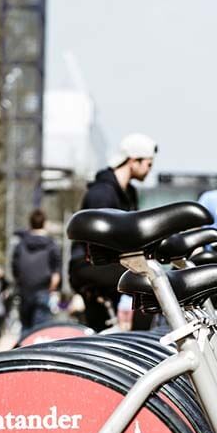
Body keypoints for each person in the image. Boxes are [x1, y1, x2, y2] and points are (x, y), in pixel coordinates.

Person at [68, 133, 157, 331]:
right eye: (149, 164)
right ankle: (140, 345)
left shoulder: (129, 193)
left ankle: (132, 345)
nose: (150, 170)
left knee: (101, 329)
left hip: (109, 264)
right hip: (89, 264)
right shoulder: (102, 193)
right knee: (148, 282)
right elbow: (99, 240)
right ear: (134, 161)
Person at [12, 209, 61, 330]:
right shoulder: (51, 244)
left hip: (25, 289)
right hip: (43, 288)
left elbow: (15, 267)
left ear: (30, 224)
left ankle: (25, 348)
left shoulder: (21, 244)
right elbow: (56, 270)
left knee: (26, 326)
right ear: (44, 223)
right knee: (41, 329)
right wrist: (53, 287)